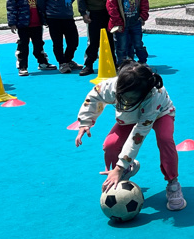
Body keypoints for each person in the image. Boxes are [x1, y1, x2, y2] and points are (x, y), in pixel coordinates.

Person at [74, 61, 186, 211]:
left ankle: (173, 183)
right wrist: (85, 121)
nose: (126, 101)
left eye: (131, 98)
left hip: (161, 113)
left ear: (143, 93)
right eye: (123, 97)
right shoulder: (113, 86)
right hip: (129, 117)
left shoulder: (154, 96)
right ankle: (123, 172)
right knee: (110, 145)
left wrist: (120, 165)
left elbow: (138, 135)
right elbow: (94, 96)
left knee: (165, 139)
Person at [6, 0, 57, 76]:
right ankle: (22, 66)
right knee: (23, 45)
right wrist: (12, 23)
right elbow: (11, 8)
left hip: (37, 23)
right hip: (23, 24)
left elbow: (45, 3)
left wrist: (46, 18)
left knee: (39, 44)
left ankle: (43, 62)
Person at [36, 0, 80, 73]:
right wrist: (45, 18)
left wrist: (65, 7)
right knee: (57, 43)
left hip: (68, 17)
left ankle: (68, 59)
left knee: (74, 41)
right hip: (53, 19)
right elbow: (40, 5)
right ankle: (62, 63)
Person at [106, 0, 149, 67]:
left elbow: (144, 3)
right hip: (121, 25)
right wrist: (118, 23)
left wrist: (143, 16)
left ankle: (142, 62)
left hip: (135, 22)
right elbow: (111, 8)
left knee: (138, 44)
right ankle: (123, 65)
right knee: (122, 46)